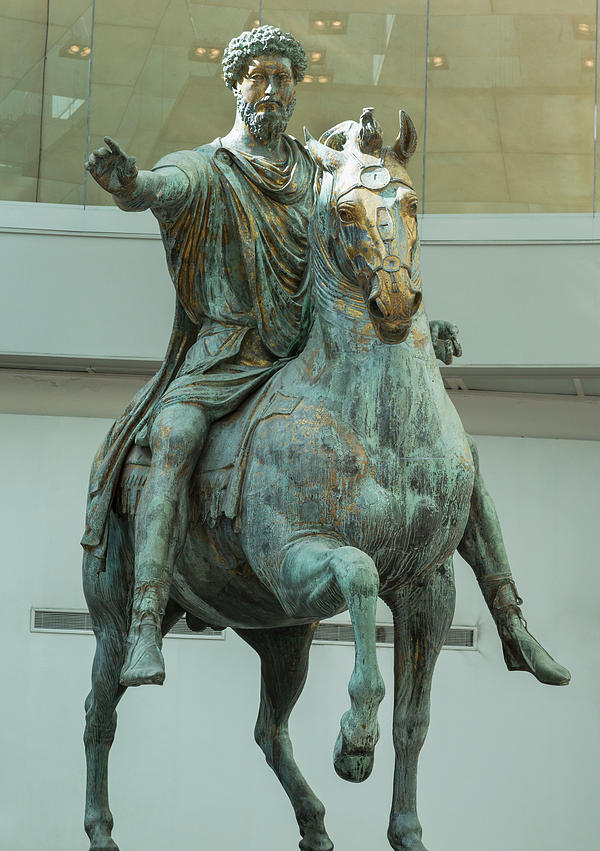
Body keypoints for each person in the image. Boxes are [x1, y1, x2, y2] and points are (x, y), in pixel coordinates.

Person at [82, 26, 569, 689]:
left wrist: (420, 317)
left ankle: (509, 614)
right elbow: (157, 189)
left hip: (314, 349)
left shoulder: (317, 168)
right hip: (230, 353)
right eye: (258, 76)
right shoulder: (207, 167)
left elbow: (365, 243)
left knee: (451, 446)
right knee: (174, 433)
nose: (272, 90)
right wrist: (128, 183)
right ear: (235, 84)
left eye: (284, 78)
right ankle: (145, 622)